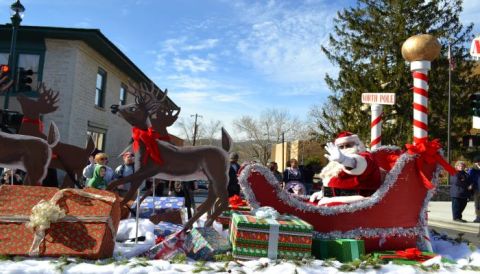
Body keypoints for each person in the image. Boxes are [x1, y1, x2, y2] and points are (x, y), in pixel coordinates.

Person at [310, 131, 382, 203]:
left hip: (356, 204)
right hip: (330, 200)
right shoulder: (335, 162)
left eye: (348, 145)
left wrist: (344, 160)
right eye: (341, 147)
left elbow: (357, 164)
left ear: (358, 145)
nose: (345, 149)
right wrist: (323, 192)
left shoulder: (366, 157)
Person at [468, 156, 480, 223]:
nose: (478, 163)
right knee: (477, 204)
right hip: (477, 189)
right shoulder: (473, 170)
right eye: (477, 162)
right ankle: (478, 217)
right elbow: (471, 178)